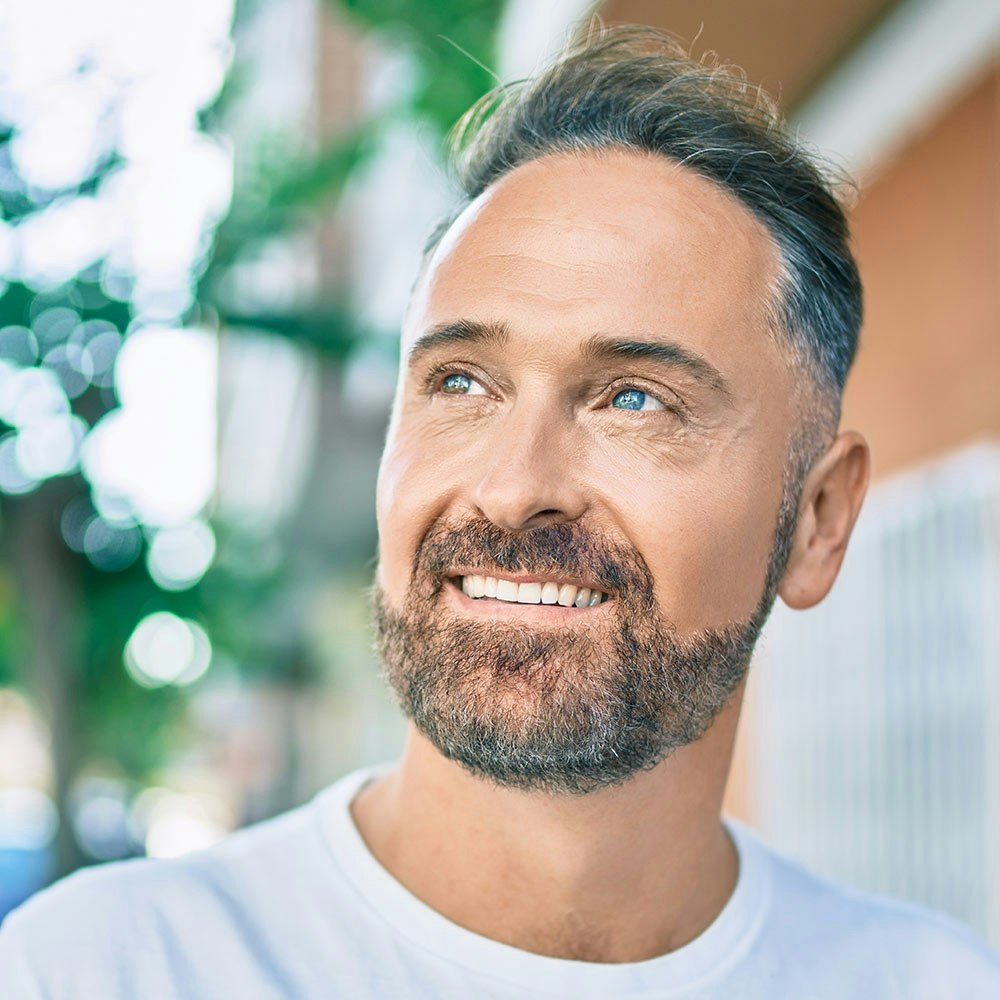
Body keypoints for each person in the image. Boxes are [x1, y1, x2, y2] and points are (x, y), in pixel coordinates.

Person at [3, 24, 1000, 1000]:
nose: (515, 485)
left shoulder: (929, 982)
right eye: (462, 382)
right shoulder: (100, 970)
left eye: (635, 397)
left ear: (819, 518)